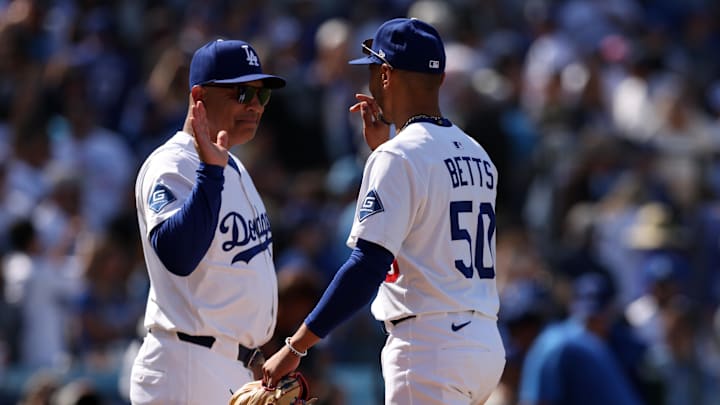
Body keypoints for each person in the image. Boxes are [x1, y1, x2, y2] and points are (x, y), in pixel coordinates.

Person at [263, 18, 506, 404]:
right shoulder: (478, 154)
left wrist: (295, 347)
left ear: (388, 75)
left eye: (374, 71)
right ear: (439, 80)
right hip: (484, 344)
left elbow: (367, 266)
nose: (372, 82)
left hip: (429, 348)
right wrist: (382, 152)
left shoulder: (399, 156)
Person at [129, 38, 285, 405]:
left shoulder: (233, 165)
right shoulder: (172, 165)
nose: (255, 107)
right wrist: (211, 174)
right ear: (198, 95)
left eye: (262, 96)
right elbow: (178, 254)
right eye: (242, 94)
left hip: (228, 366)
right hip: (186, 366)